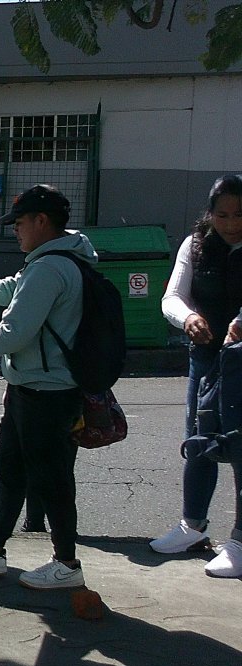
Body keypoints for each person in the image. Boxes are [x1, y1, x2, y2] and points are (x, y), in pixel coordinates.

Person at [0, 184, 94, 590]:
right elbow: (16, 289)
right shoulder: (53, 259)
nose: (16, 231)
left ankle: (66, 563)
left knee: (51, 477)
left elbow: (12, 334)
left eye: (20, 223)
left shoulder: (49, 268)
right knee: (11, 469)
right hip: (31, 386)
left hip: (48, 390)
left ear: (41, 221)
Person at [149, 174, 242, 578]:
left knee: (240, 444)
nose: (231, 222)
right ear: (209, 213)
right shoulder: (197, 243)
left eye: (240, 214)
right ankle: (193, 527)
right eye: (222, 214)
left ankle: (239, 541)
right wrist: (187, 318)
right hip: (206, 357)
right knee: (199, 439)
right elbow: (172, 296)